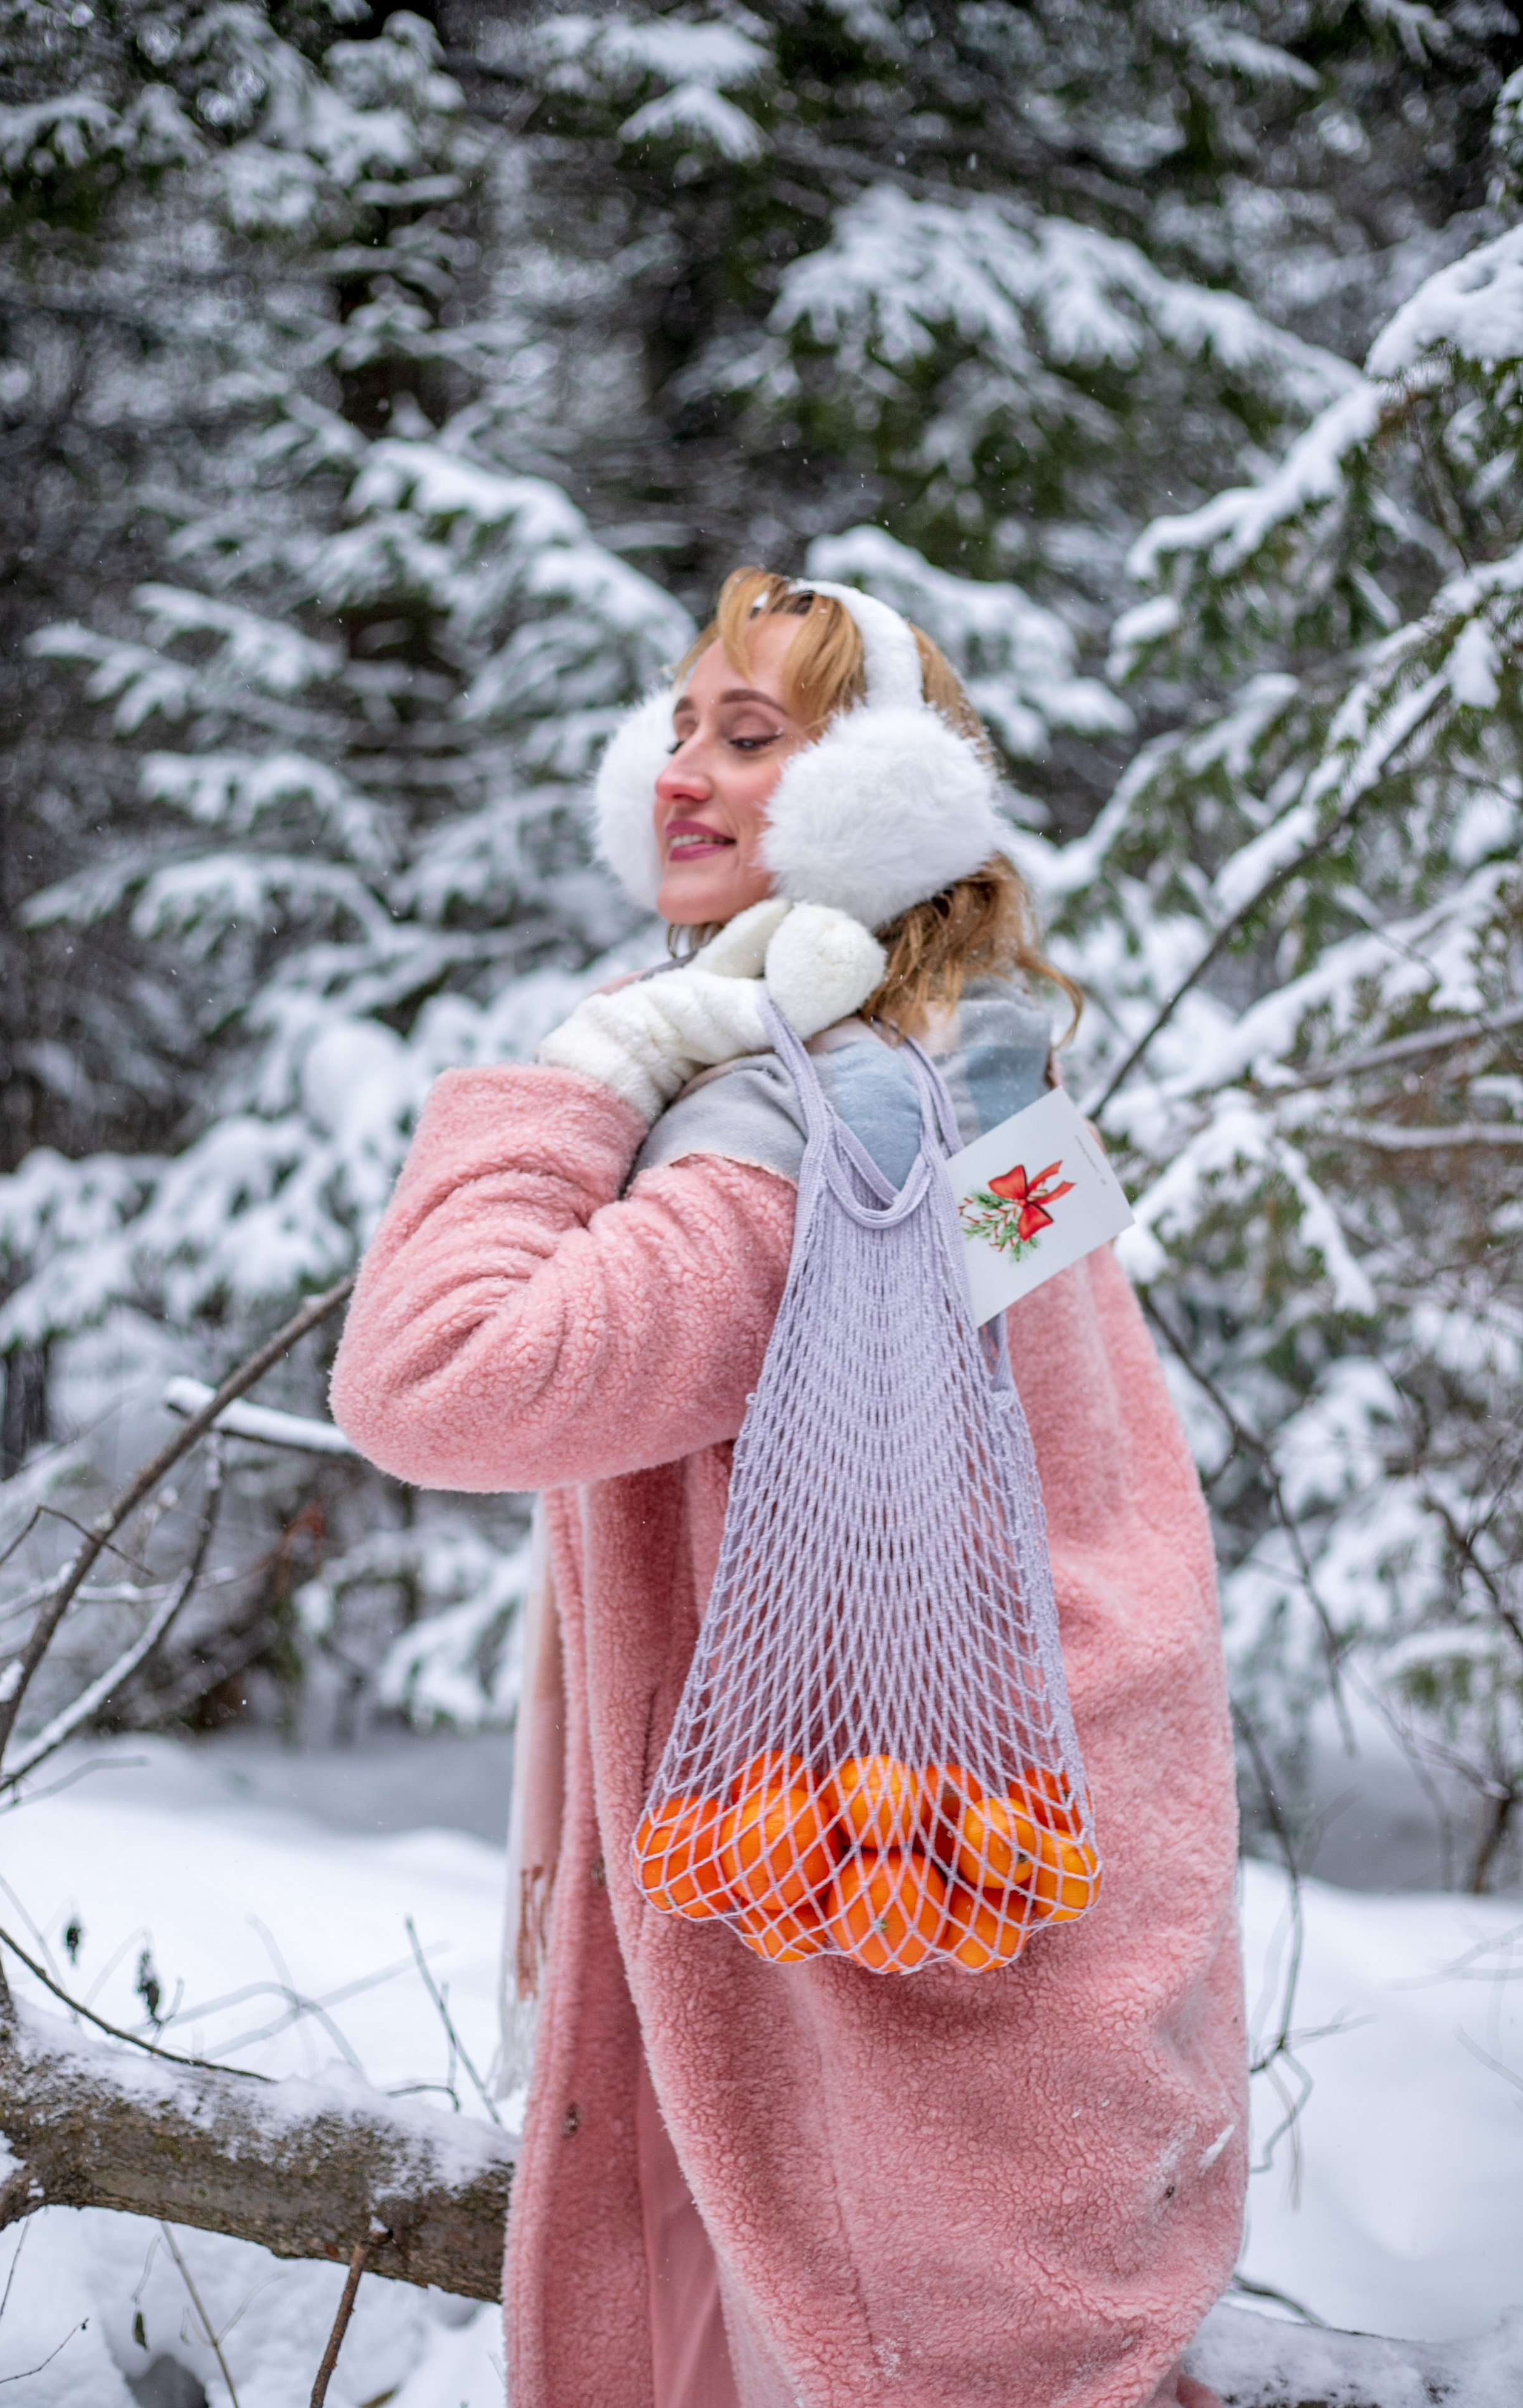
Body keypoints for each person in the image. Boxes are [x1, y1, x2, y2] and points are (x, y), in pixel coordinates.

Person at [330, 571, 1245, 2408]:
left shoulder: (787, 1134)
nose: (679, 772)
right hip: (1046, 1865)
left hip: (885, 1939)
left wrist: (595, 1072)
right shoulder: (990, 1082)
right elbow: (1087, 1430)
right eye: (675, 726)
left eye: (747, 738)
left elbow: (434, 1379)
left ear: (874, 802)